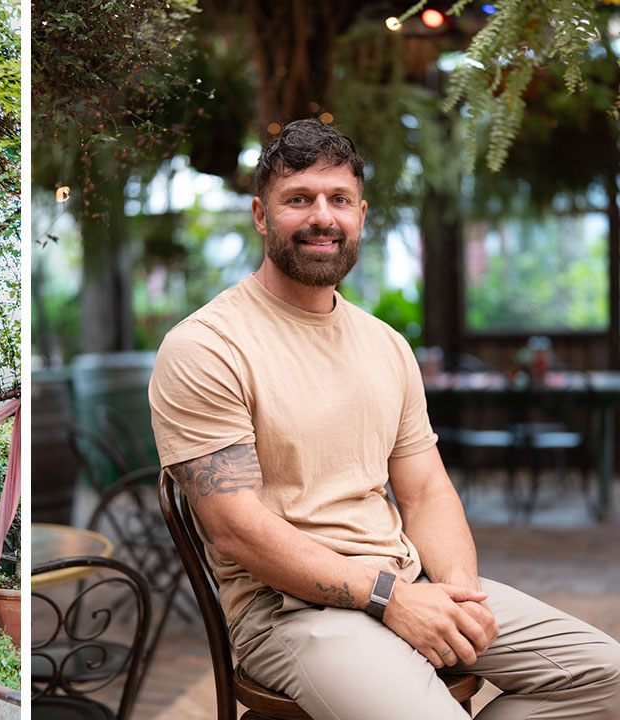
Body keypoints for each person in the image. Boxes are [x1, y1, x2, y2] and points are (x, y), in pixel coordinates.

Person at [148, 118, 620, 719]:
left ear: (361, 216)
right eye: (298, 200)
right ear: (262, 216)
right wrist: (387, 598)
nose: (323, 217)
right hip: (291, 613)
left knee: (606, 677)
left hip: (409, 583)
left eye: (339, 200)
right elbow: (236, 528)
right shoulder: (207, 346)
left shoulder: (387, 345)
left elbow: (425, 491)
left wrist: (457, 595)